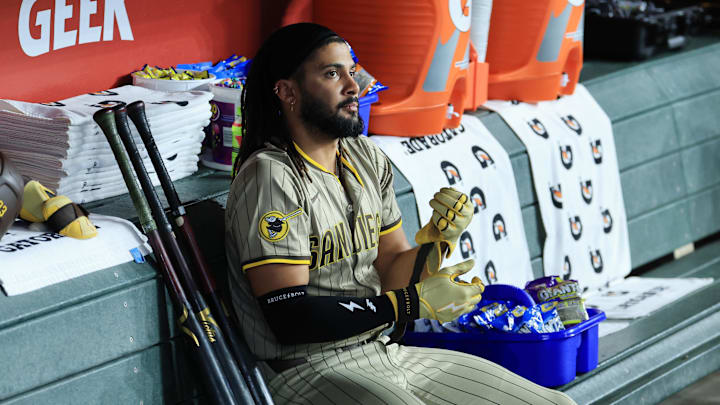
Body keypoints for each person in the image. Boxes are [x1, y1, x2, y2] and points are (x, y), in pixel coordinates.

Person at [225, 22, 577, 405]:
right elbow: (289, 317)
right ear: (287, 91)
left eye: (350, 69)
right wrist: (411, 303)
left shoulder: (365, 157)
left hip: (383, 352)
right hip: (305, 370)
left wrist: (439, 239)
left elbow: (392, 268)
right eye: (331, 73)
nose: (353, 85)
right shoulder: (272, 175)